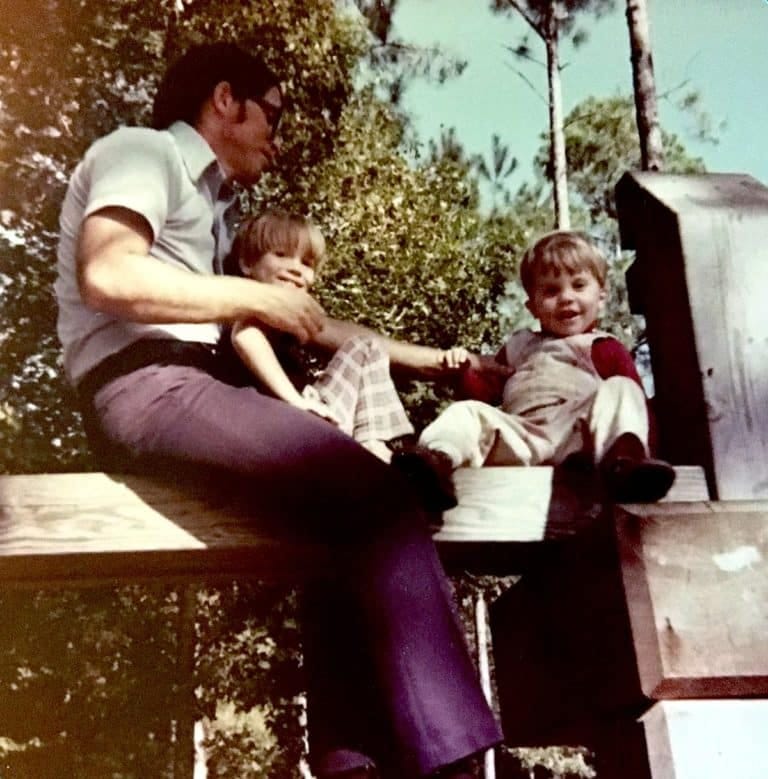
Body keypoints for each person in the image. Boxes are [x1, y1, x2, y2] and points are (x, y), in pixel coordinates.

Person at [55, 42, 502, 778]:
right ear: (225, 100)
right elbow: (108, 271)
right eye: (274, 114)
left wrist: (447, 362)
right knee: (378, 494)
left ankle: (350, 764)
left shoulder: (217, 217)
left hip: (201, 388)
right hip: (148, 385)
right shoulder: (142, 153)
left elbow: (315, 325)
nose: (278, 135)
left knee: (341, 522)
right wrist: (258, 296)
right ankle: (456, 761)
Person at [397, 230, 676, 505]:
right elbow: (484, 394)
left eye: (578, 285)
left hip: (577, 438)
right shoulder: (520, 345)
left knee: (622, 389)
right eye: (552, 290)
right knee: (465, 413)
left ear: (601, 299)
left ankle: (625, 465)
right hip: (521, 435)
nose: (566, 297)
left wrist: (645, 448)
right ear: (532, 306)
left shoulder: (603, 346)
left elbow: (636, 407)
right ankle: (435, 462)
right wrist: (462, 373)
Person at [226, 209, 419, 463]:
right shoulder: (254, 304)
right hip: (260, 425)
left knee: (366, 347)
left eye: (306, 263)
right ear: (247, 264)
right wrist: (296, 401)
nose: (295, 269)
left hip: (297, 417)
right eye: (281, 255)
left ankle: (374, 446)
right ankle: (374, 454)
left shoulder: (289, 329)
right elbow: (245, 336)